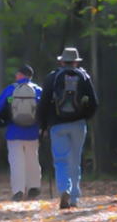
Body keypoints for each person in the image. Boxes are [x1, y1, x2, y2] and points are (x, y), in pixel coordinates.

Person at [37, 48, 98, 209]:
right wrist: (84, 116)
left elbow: (43, 104)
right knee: (75, 160)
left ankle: (64, 189)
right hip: (78, 124)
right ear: (76, 62)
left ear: (62, 61)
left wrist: (42, 126)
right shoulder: (84, 77)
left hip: (57, 125)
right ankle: (75, 198)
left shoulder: (52, 77)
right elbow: (94, 103)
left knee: (61, 160)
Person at [0, 65, 42, 201]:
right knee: (32, 157)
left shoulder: (11, 89)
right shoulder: (37, 90)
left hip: (13, 131)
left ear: (19, 75)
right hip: (33, 131)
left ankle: (18, 190)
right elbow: (44, 110)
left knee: (16, 160)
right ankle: (34, 186)